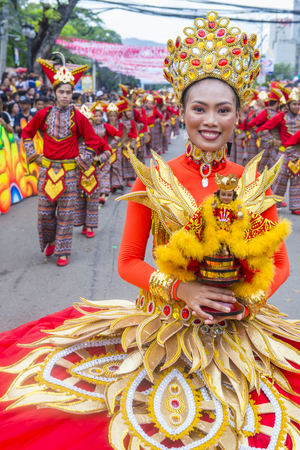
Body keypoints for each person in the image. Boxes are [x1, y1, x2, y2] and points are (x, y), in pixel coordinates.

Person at [1, 12, 300, 450]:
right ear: (182, 112)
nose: (211, 121)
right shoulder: (154, 176)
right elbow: (127, 263)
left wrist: (247, 301)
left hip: (241, 327)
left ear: (238, 116)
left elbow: (279, 265)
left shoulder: (252, 180)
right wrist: (183, 293)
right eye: (199, 109)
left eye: (223, 109)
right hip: (163, 324)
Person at [21, 53, 99, 266]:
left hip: (70, 173)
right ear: (54, 93)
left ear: (73, 94)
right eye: (61, 92)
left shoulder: (79, 117)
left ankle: (63, 251)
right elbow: (26, 133)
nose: (65, 96)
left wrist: (82, 162)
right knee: (45, 212)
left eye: (68, 92)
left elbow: (93, 142)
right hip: (47, 171)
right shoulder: (43, 114)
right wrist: (33, 155)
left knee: (66, 214)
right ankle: (50, 239)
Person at [257, 85, 300, 215]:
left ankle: (295, 207)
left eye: (298, 104)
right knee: (280, 180)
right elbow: (262, 129)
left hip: (296, 154)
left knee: (297, 180)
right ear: (288, 104)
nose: (297, 107)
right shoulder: (281, 116)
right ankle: (274, 203)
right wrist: (273, 140)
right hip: (282, 153)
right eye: (294, 104)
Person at [74, 103, 112, 237]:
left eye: (90, 124)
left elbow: (108, 151)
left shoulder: (96, 139)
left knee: (92, 200)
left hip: (93, 175)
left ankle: (89, 227)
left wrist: (99, 158)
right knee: (79, 200)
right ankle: (83, 224)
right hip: (76, 174)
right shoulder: (73, 139)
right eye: (85, 124)